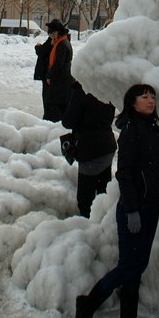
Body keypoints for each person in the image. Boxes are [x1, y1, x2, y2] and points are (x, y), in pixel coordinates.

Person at [75, 83, 159, 318]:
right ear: (132, 102)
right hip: (132, 210)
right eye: (144, 96)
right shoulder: (130, 131)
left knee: (137, 267)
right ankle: (89, 303)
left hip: (150, 207)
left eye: (152, 97)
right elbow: (123, 173)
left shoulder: (152, 130)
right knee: (129, 266)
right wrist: (132, 210)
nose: (150, 101)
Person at [62, 81, 117, 217]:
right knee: (103, 189)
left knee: (85, 200)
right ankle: (103, 221)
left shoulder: (82, 90)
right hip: (107, 145)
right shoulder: (107, 86)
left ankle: (89, 226)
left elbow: (67, 121)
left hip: (90, 150)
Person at [42, 19, 73, 122]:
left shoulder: (62, 44)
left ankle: (51, 126)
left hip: (61, 81)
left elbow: (58, 64)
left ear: (55, 33)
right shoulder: (63, 42)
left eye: (50, 34)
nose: (50, 36)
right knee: (59, 106)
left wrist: (49, 75)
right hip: (62, 81)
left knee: (53, 106)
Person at [34, 26, 55, 117]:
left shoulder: (52, 42)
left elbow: (43, 52)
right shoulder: (55, 42)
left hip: (47, 74)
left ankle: (48, 115)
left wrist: (37, 47)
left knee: (47, 96)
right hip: (48, 74)